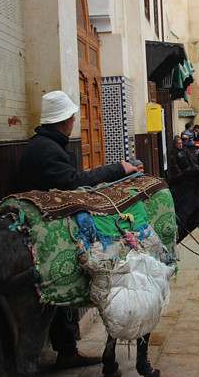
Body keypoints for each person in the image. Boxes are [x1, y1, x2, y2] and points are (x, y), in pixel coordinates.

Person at [18, 90, 137, 370]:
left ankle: (68, 348)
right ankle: (67, 346)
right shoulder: (48, 150)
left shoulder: (43, 145)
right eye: (72, 117)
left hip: (44, 216)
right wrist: (118, 169)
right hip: (46, 225)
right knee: (73, 268)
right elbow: (73, 182)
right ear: (64, 121)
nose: (74, 121)